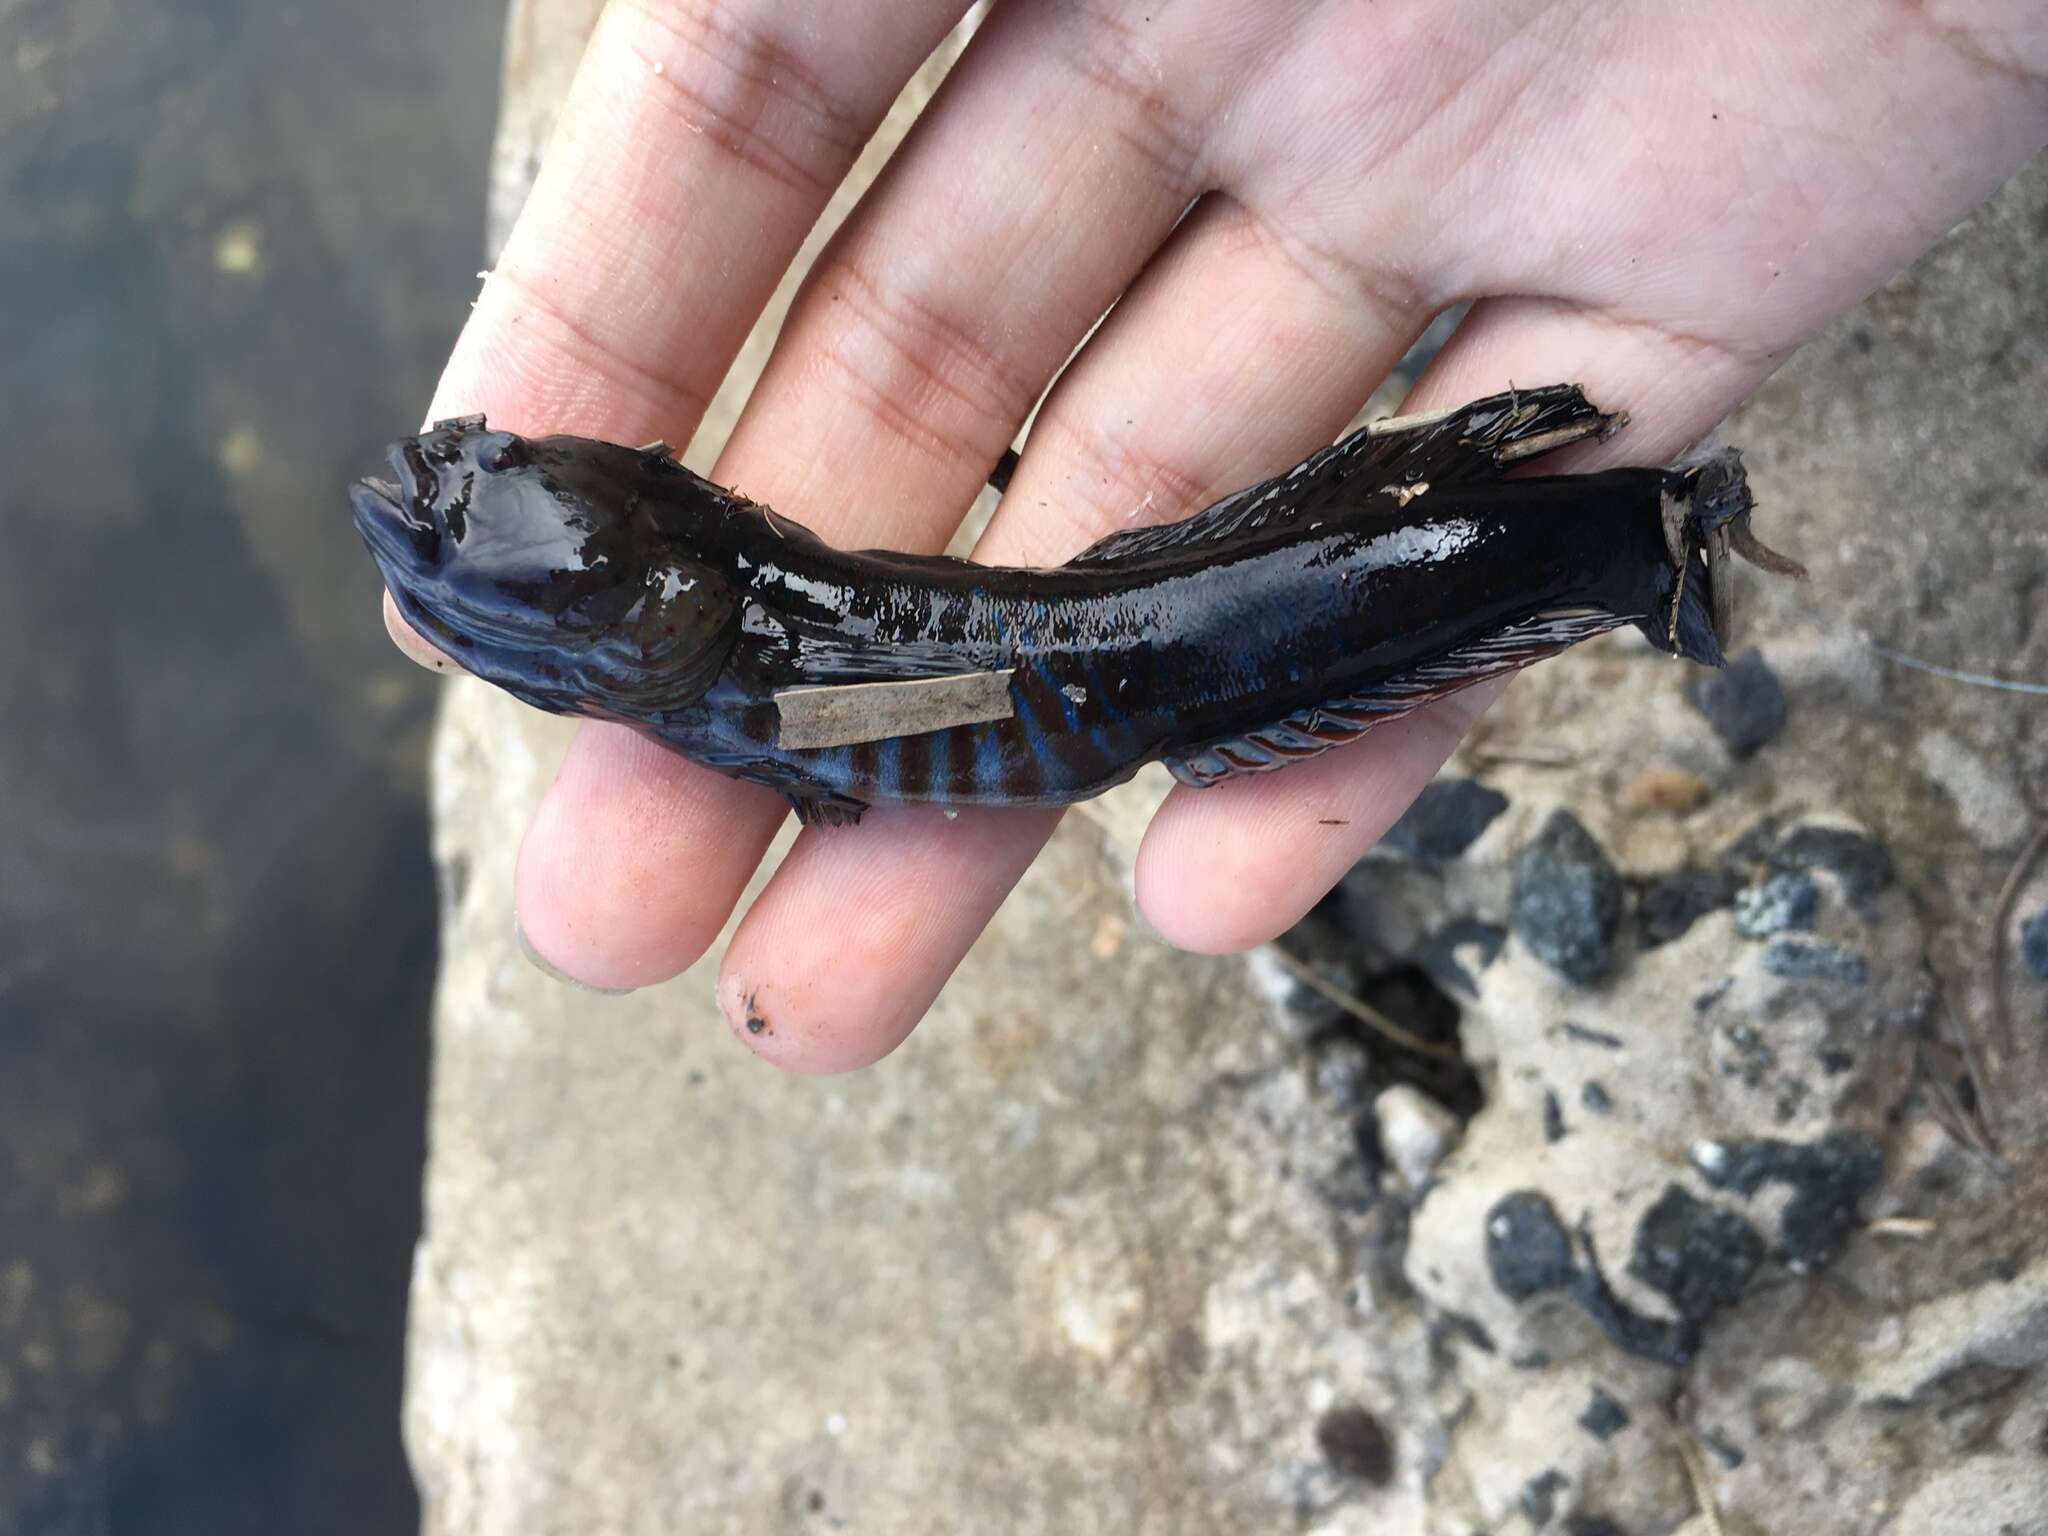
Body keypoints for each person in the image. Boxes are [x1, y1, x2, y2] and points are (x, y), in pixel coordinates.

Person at [384, 0, 2045, 1072]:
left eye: (492, 487)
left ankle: (1623, 547)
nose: (452, 490)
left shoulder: (729, 646)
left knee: (1150, 640)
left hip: (1069, 663)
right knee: (1132, 647)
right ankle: (1616, 548)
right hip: (1037, 670)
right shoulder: (724, 648)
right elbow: (846, 704)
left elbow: (835, 700)